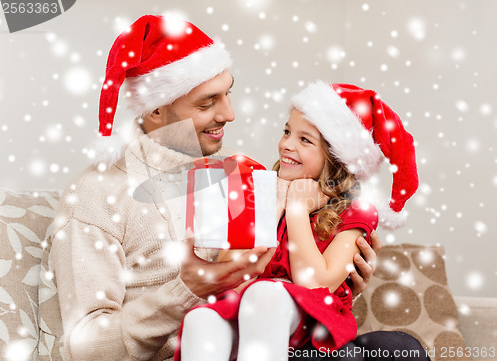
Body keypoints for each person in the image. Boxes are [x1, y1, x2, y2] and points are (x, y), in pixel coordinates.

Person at [48, 15, 383, 361]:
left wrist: (336, 288)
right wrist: (186, 291)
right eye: (208, 103)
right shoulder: (96, 197)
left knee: (398, 348)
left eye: (228, 94)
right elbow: (84, 350)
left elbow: (274, 287)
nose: (230, 114)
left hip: (260, 341)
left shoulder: (241, 173)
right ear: (157, 108)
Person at [176, 81, 426, 361]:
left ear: (336, 157)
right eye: (286, 132)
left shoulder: (356, 212)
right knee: (202, 320)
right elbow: (230, 279)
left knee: (265, 293)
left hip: (310, 326)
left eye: (304, 140)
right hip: (251, 315)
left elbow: (314, 285)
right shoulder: (258, 192)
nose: (286, 145)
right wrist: (274, 210)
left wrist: (296, 209)